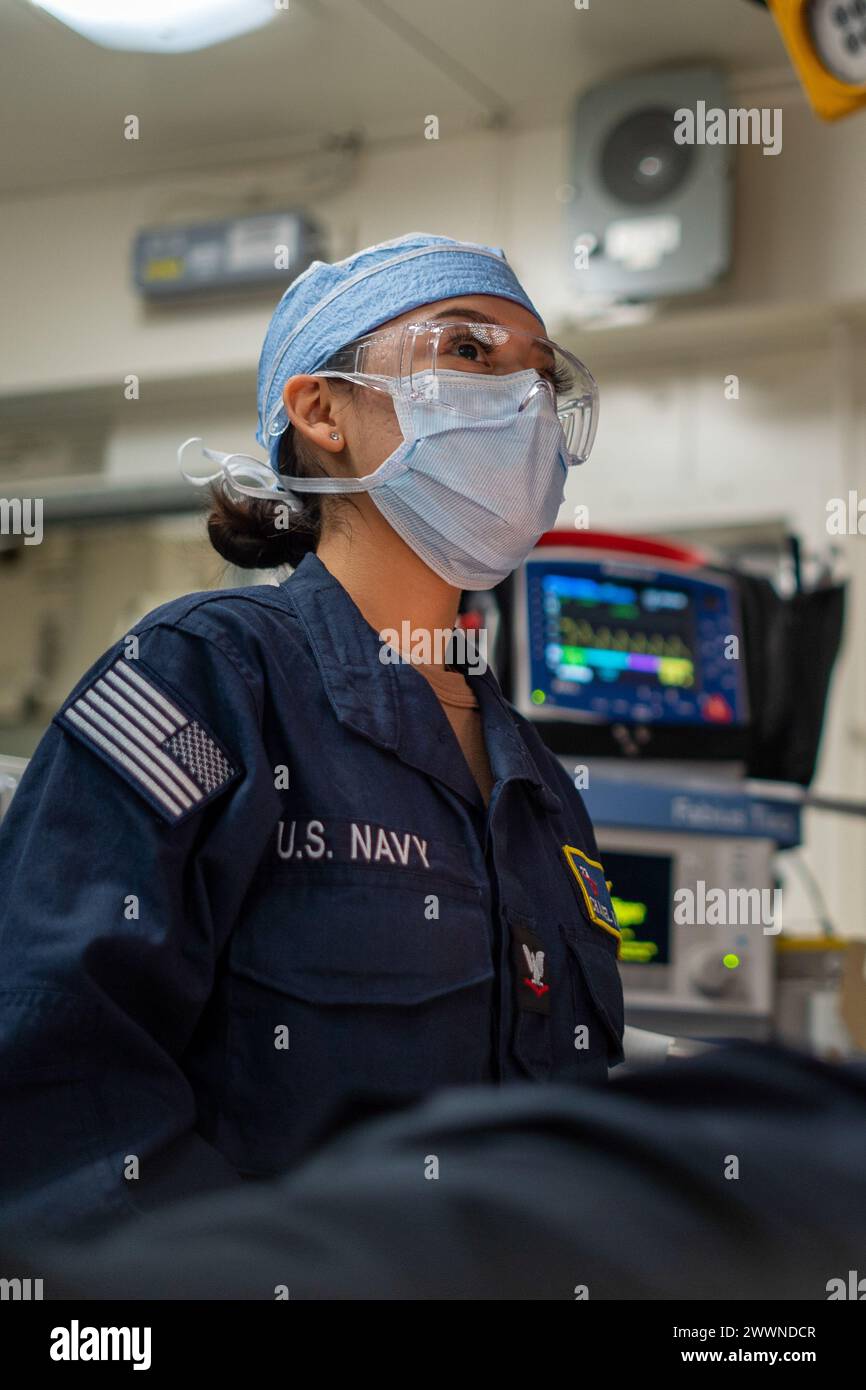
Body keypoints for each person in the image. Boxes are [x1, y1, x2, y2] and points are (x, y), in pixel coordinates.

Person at [0, 232, 621, 1241]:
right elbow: (56, 1079)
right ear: (321, 409)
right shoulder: (197, 679)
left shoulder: (537, 786)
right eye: (467, 351)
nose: (522, 400)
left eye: (540, 375)